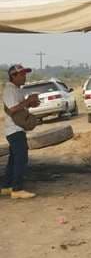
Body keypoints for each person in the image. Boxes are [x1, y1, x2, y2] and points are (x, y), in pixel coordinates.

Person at [2, 64, 39, 199]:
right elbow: (12, 109)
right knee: (21, 159)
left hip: (16, 129)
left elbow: (19, 107)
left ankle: (6, 186)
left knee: (14, 159)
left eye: (25, 74)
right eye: (22, 74)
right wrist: (27, 101)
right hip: (14, 129)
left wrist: (31, 103)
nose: (25, 77)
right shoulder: (9, 90)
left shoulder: (17, 90)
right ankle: (17, 189)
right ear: (13, 76)